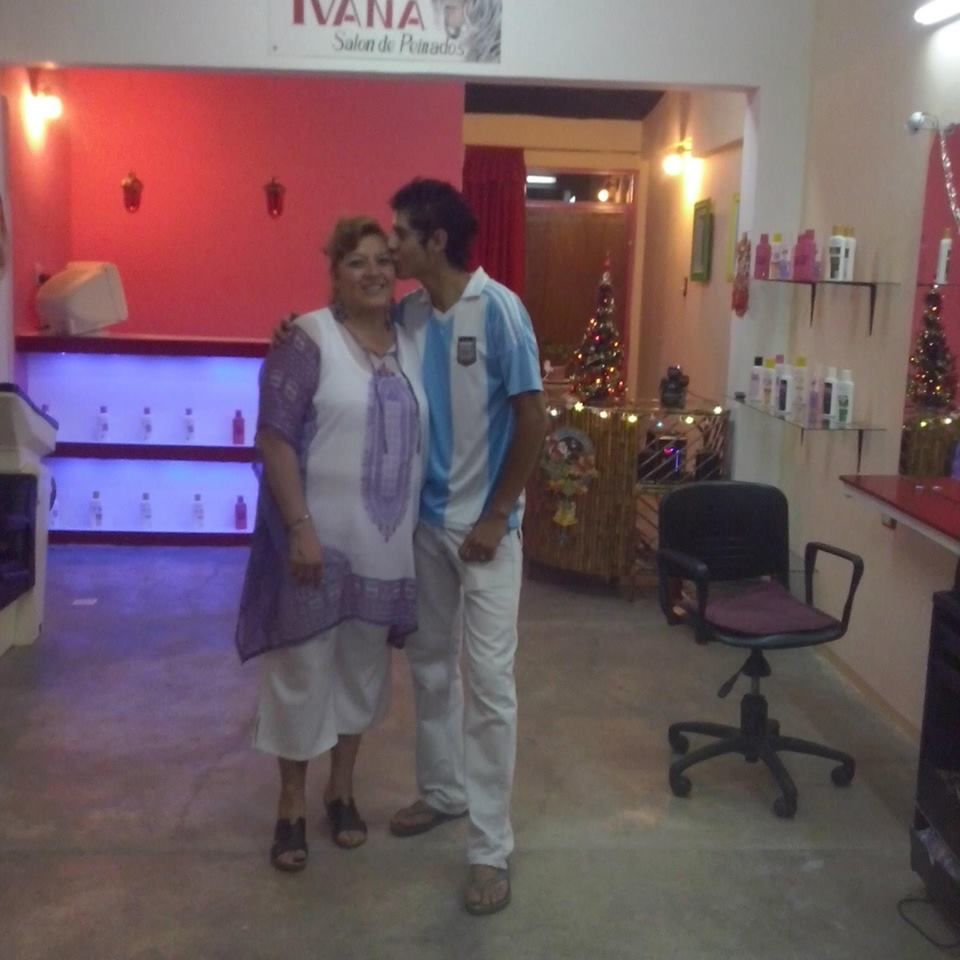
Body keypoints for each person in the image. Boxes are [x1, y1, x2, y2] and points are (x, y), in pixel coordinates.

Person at [236, 216, 428, 873]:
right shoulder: (307, 339)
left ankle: (341, 791)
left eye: (382, 260)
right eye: (356, 262)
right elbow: (274, 438)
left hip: (384, 548)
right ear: (335, 275)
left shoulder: (411, 345)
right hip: (314, 547)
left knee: (361, 675)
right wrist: (299, 527)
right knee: (300, 674)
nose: (373, 272)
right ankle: (291, 803)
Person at [385, 178, 548, 915]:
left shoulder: (500, 310)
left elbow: (533, 419)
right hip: (425, 527)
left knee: (489, 685)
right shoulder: (412, 315)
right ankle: (444, 791)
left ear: (436, 239)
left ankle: (489, 847)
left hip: (487, 536)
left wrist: (496, 514)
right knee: (429, 669)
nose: (393, 246)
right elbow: (353, 329)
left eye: (401, 234)